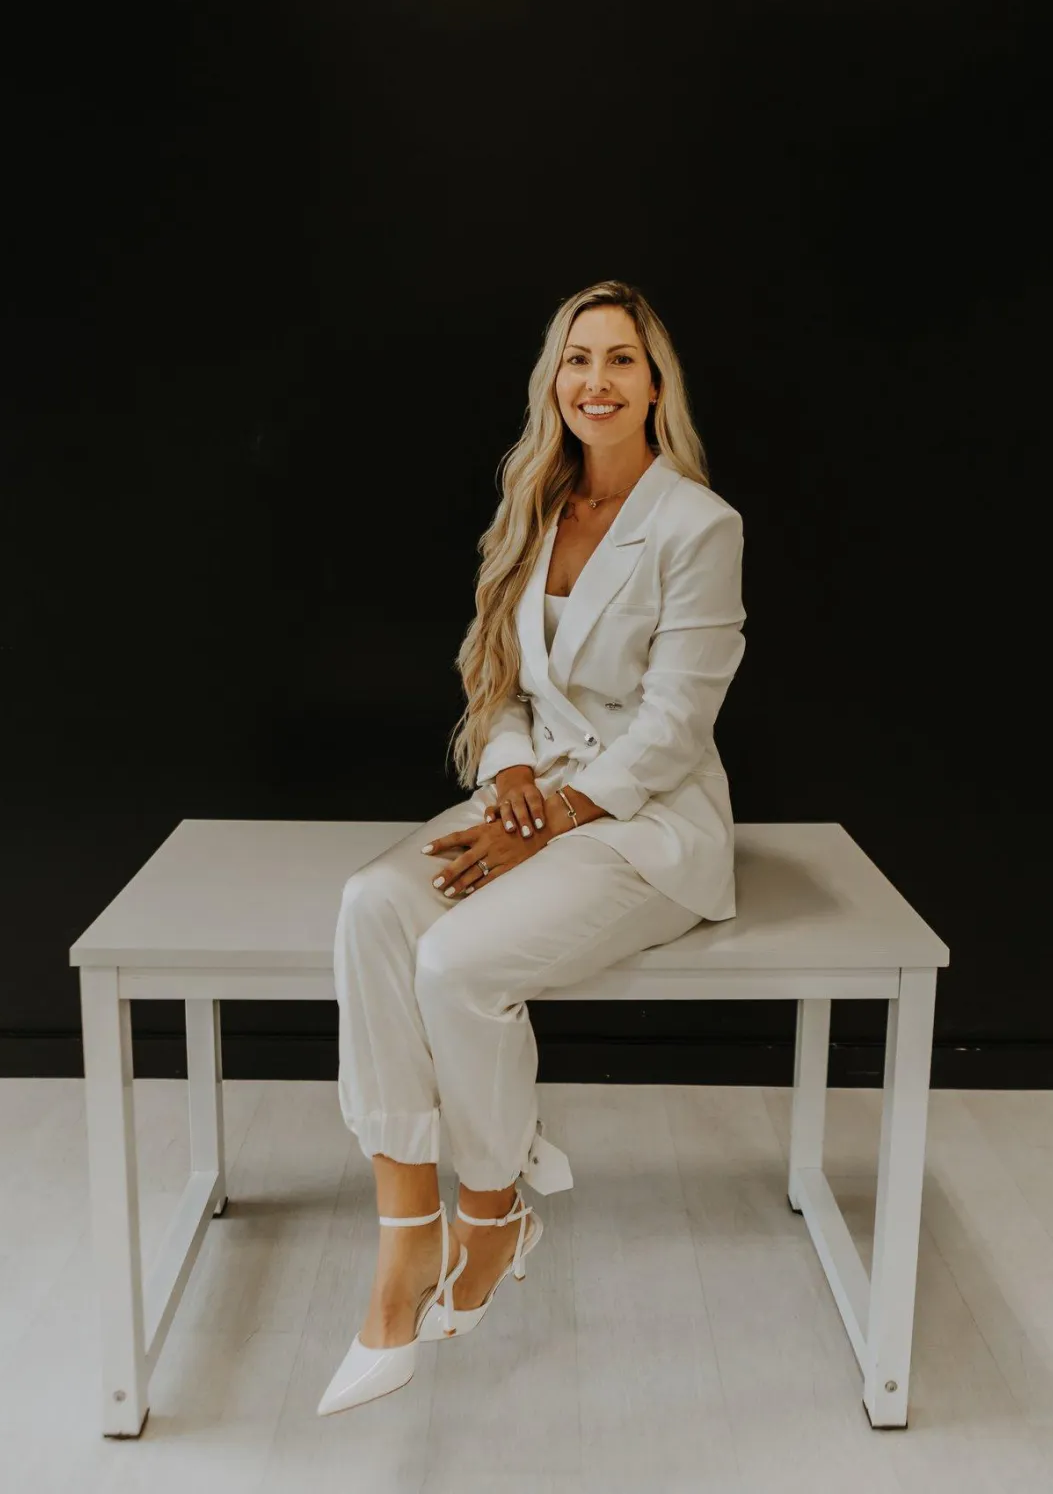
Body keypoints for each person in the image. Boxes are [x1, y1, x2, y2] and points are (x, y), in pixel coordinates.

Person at [318, 279, 747, 1416]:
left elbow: (674, 725)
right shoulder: (536, 504)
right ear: (552, 382)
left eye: (620, 360)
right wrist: (509, 774)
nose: (595, 382)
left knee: (458, 965)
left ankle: (497, 1214)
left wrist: (550, 821)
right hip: (533, 798)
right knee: (372, 906)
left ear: (657, 384)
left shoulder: (699, 525)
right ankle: (405, 1235)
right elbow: (503, 680)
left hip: (645, 822)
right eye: (576, 360)